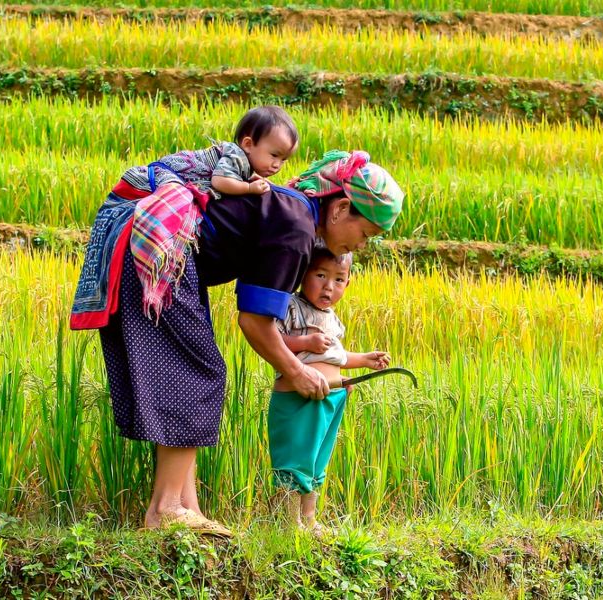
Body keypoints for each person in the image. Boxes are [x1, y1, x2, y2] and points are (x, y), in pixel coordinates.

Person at [70, 147, 404, 535]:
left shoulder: (291, 214)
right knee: (199, 374)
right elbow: (255, 322)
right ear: (341, 208)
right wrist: (296, 372)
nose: (362, 246)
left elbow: (256, 315)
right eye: (366, 234)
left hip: (155, 247)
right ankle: (166, 508)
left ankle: (184, 507)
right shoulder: (296, 229)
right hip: (162, 250)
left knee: (187, 373)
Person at [269, 248, 390, 535]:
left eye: (338, 279)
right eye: (321, 275)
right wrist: (305, 342)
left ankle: (309, 520)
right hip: (299, 397)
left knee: (317, 460)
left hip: (332, 397)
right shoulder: (291, 306)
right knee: (296, 458)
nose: (328, 287)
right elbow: (272, 339)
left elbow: (337, 356)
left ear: (348, 283)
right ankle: (289, 523)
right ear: (303, 274)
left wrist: (364, 360)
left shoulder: (332, 318)